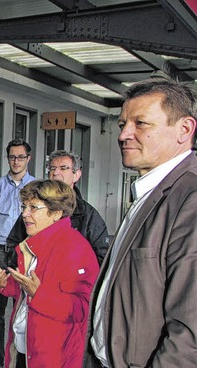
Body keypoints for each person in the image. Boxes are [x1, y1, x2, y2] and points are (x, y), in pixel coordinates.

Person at [85, 78, 197, 367]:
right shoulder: (150, 191)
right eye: (123, 124)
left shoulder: (190, 200)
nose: (124, 135)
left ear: (184, 129)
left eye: (141, 123)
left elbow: (188, 337)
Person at [0, 180, 99, 368]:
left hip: (53, 356)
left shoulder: (75, 249)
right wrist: (7, 284)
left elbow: (83, 309)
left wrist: (39, 294)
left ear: (56, 213)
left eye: (33, 208)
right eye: (24, 206)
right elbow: (27, 292)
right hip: (25, 347)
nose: (24, 214)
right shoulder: (33, 244)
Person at [6, 150, 109, 265]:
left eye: (63, 168)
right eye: (52, 168)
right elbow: (13, 244)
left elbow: (101, 257)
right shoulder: (33, 209)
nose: (55, 173)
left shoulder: (87, 214)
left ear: (76, 175)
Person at [0, 138, 35, 368]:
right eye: (12, 157)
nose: (16, 161)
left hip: (28, 251)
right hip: (0, 252)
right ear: (7, 158)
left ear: (28, 158)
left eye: (21, 157)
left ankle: (26, 358)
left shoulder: (37, 187)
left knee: (29, 304)